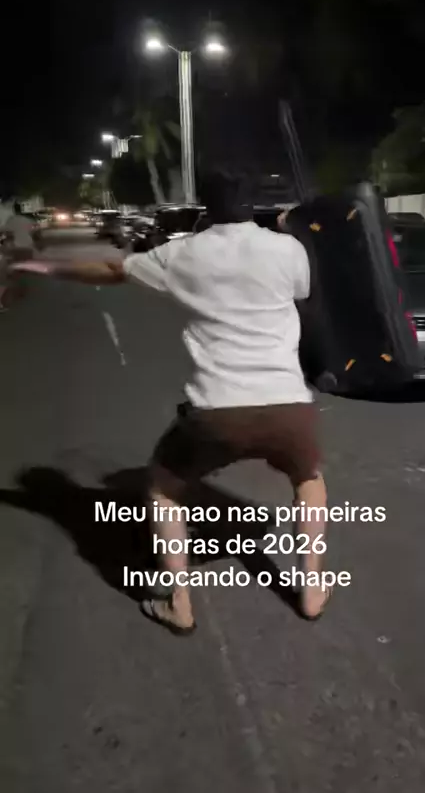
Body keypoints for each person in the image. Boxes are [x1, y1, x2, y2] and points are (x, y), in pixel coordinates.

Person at [13, 171, 330, 634]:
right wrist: (285, 229)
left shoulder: (182, 253)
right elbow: (302, 289)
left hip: (217, 410)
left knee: (164, 490)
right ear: (253, 205)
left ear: (206, 207)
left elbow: (112, 271)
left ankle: (179, 603)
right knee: (309, 481)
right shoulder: (288, 249)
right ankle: (313, 588)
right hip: (289, 404)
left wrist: (43, 267)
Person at [0, 202, 35, 311]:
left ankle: (17, 287)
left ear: (14, 210)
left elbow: (6, 233)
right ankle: (22, 288)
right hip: (27, 247)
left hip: (15, 248)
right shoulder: (27, 220)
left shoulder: (10, 220)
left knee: (15, 269)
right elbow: (34, 232)